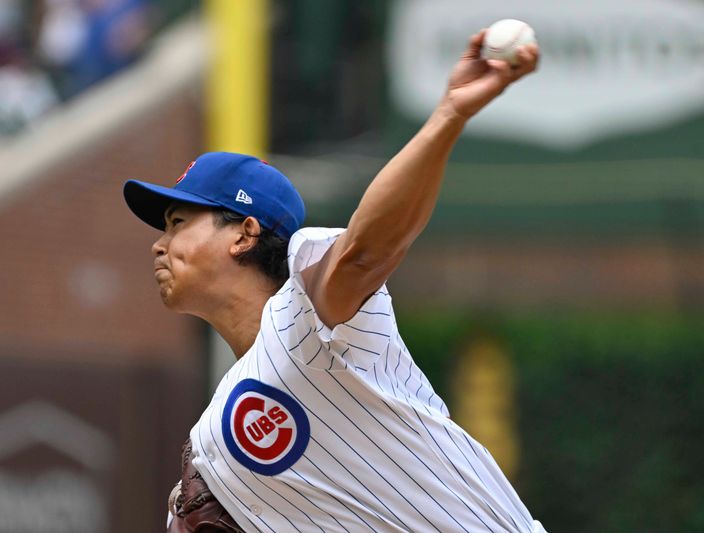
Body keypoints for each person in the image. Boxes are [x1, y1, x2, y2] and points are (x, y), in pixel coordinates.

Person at [124, 28, 543, 533]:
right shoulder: (213, 433)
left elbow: (366, 253)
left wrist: (450, 113)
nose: (159, 244)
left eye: (177, 223)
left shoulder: (306, 317)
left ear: (243, 234)